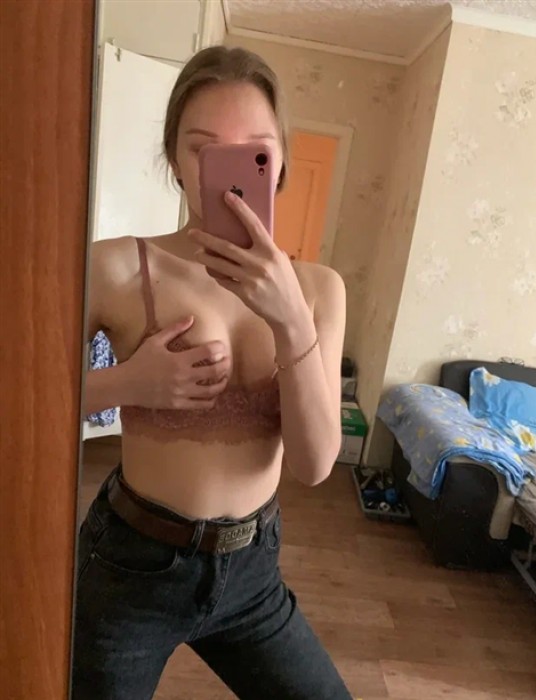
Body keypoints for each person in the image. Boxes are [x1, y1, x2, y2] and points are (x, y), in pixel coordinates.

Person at [73, 45, 350, 700]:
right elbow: (22, 395)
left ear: (279, 161)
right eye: (202, 149)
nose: (226, 175)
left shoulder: (318, 291)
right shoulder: (114, 268)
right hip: (131, 567)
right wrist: (127, 384)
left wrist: (291, 321)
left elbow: (314, 465)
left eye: (254, 152)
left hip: (253, 575)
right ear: (173, 158)